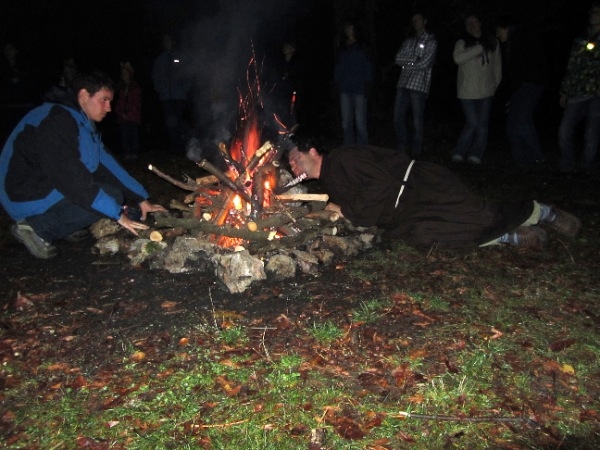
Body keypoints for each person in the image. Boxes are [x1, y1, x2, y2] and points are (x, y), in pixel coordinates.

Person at [0, 70, 167, 259]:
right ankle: (35, 227)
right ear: (84, 95)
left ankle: (65, 225)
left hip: (49, 186)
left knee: (110, 195)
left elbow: (107, 165)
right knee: (110, 198)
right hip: (25, 193)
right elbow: (71, 178)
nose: (109, 108)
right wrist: (117, 215)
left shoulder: (80, 122)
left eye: (110, 101)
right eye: (104, 100)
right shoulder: (55, 121)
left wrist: (141, 198)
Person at [287, 143, 581, 250]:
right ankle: (512, 237)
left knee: (478, 213)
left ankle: (544, 212)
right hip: (408, 212)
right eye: (291, 165)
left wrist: (347, 209)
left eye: (296, 157)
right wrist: (345, 208)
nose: (295, 165)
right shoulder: (330, 182)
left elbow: (381, 184)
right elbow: (367, 206)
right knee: (434, 235)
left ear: (313, 151)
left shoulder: (342, 158)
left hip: (421, 185)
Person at [496, 16, 548, 171]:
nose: (498, 35)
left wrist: (513, 91)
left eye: (499, 31)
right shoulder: (511, 44)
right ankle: (521, 161)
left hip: (529, 85)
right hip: (520, 88)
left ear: (506, 28)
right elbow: (511, 73)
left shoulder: (520, 39)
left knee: (522, 119)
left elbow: (520, 69)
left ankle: (538, 156)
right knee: (513, 124)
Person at [452, 14, 502, 165]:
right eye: (468, 23)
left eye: (474, 21)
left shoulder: (493, 42)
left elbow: (497, 66)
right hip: (467, 91)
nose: (471, 25)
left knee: (482, 124)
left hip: (486, 90)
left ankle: (476, 154)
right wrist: (479, 48)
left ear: (480, 23)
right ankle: (459, 151)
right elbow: (457, 59)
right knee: (472, 122)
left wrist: (494, 85)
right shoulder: (462, 42)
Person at [557, 2, 600, 175]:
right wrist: (564, 91)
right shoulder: (581, 38)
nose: (593, 14)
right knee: (564, 130)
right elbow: (572, 65)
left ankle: (585, 168)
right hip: (577, 92)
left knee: (591, 133)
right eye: (592, 11)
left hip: (596, 94)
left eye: (597, 11)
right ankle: (567, 165)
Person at [393, 11, 437, 158]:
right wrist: (414, 60)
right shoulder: (409, 41)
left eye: (418, 19)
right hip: (403, 83)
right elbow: (398, 59)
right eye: (413, 20)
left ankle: (416, 152)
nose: (415, 22)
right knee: (397, 117)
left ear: (425, 21)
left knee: (417, 121)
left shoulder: (431, 40)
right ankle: (402, 148)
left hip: (418, 86)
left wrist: (408, 62)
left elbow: (425, 63)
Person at [334, 20, 374, 145]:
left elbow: (368, 66)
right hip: (344, 88)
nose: (348, 30)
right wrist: (336, 82)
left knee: (360, 122)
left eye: (350, 27)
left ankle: (363, 150)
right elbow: (338, 67)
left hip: (359, 88)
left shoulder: (363, 46)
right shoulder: (342, 47)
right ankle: (348, 149)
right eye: (346, 27)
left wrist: (368, 84)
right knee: (346, 122)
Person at [152, 33, 191, 153]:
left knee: (177, 121)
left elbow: (187, 73)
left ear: (173, 42)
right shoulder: (160, 59)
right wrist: (159, 89)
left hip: (179, 96)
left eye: (168, 40)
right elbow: (155, 75)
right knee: (170, 122)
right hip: (166, 96)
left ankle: (182, 145)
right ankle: (175, 148)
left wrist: (185, 88)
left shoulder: (179, 57)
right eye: (164, 41)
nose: (166, 43)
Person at [115, 61, 142, 161]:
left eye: (125, 73)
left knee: (133, 135)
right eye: (122, 73)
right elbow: (117, 102)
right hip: (122, 117)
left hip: (133, 116)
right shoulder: (120, 87)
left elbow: (136, 102)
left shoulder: (135, 87)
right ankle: (127, 153)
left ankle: (134, 154)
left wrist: (129, 114)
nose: (124, 75)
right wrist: (121, 113)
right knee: (124, 135)